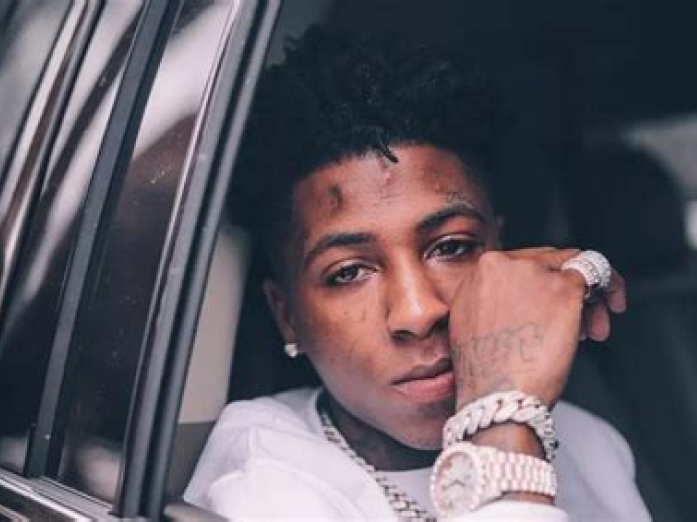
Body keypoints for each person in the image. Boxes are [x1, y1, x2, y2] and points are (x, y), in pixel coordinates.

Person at [184, 29, 651, 520]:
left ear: (500, 254)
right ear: (287, 316)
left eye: (451, 247)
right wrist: (505, 427)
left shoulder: (589, 442)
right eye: (348, 273)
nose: (418, 311)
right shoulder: (263, 487)